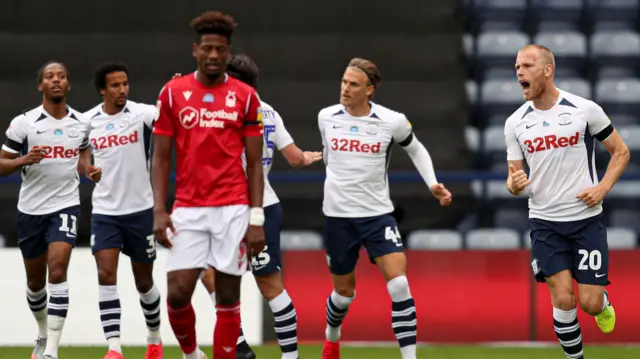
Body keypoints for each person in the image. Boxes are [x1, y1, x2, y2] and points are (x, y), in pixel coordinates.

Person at [318, 58, 452, 359]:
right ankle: (332, 338)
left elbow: (416, 148)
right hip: (338, 218)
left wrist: (432, 183)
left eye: (353, 84)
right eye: (343, 82)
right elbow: (331, 160)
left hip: (378, 215)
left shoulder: (392, 121)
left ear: (370, 90)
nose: (345, 88)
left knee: (400, 283)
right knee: (343, 294)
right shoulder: (326, 117)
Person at [151, 11, 265, 359]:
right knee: (177, 292)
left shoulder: (246, 97)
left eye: (220, 49)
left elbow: (256, 162)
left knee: (228, 298)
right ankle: (190, 353)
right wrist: (159, 210)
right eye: (207, 49)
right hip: (188, 207)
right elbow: (160, 157)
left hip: (233, 207)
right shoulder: (172, 93)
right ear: (195, 50)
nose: (213, 55)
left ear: (228, 52)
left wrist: (256, 219)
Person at [505, 44, 630, 359]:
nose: (519, 71)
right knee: (563, 300)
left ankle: (602, 305)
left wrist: (602, 188)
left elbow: (621, 152)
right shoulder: (515, 122)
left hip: (586, 221)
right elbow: (514, 177)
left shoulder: (584, 109)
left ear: (547, 70)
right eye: (516, 66)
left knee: (588, 303)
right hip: (545, 223)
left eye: (527, 65)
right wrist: (513, 184)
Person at [198, 53, 322, 359]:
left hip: (248, 209)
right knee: (211, 272)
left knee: (266, 285)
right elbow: (294, 158)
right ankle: (240, 345)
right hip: (259, 206)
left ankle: (275, 352)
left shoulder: (227, 114)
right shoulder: (269, 112)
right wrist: (308, 157)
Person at [0, 61, 101, 359]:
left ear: (68, 85)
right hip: (31, 210)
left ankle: (52, 351)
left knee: (57, 271)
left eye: (61, 76)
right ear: (40, 85)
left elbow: (83, 157)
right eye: (49, 76)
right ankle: (43, 334)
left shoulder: (81, 123)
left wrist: (89, 170)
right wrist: (22, 161)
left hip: (65, 205)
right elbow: (2, 165)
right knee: (35, 284)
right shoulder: (24, 124)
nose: (55, 80)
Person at [84, 61, 163, 359]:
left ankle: (154, 339)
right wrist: (86, 170)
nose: (122, 90)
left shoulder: (143, 114)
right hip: (105, 212)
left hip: (141, 211)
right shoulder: (87, 121)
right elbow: (82, 159)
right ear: (102, 90)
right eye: (115, 85)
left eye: (125, 83)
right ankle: (114, 347)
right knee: (106, 274)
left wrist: (178, 92)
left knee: (144, 282)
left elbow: (170, 117)